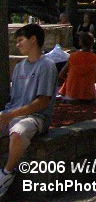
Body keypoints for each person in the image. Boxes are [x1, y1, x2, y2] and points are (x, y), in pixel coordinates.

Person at [0, 24, 58, 198]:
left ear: (33, 40)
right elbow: (14, 100)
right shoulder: (19, 67)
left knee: (18, 132)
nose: (17, 44)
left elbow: (42, 101)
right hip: (13, 113)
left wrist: (11, 115)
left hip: (36, 117)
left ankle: (6, 175)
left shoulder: (47, 65)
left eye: (20, 40)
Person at [58, 32, 96, 101]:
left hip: (71, 94)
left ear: (80, 43)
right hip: (89, 95)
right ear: (92, 43)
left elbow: (61, 75)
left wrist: (71, 78)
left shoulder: (72, 56)